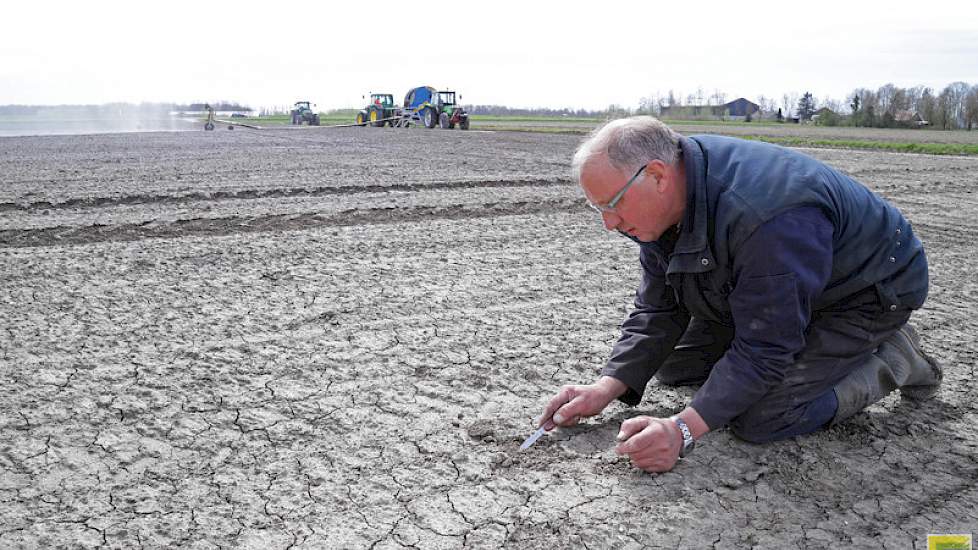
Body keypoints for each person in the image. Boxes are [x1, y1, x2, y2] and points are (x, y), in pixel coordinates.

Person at [537, 116, 942, 473]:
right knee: (678, 366)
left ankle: (896, 356)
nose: (609, 223)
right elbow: (659, 308)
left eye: (611, 204)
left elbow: (766, 347)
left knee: (765, 416)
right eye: (598, 209)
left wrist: (682, 430)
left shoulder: (765, 217)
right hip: (790, 283)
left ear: (657, 175)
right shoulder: (662, 205)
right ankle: (802, 342)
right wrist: (606, 387)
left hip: (866, 290)